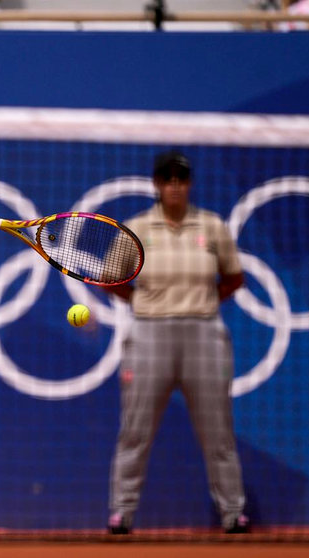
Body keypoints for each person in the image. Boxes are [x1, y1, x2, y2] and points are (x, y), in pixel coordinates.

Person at [103, 151, 249, 535]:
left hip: (203, 334)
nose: (174, 186)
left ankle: (233, 512)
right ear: (156, 184)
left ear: (189, 184)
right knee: (134, 430)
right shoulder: (136, 229)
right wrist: (142, 303)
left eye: (180, 179)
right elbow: (111, 279)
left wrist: (203, 305)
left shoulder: (212, 226)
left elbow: (233, 278)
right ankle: (122, 513)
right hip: (150, 335)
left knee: (219, 430)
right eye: (167, 179)